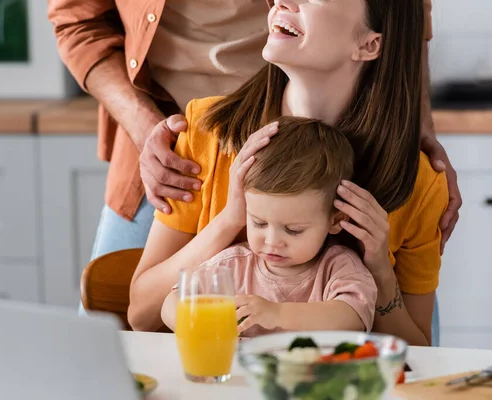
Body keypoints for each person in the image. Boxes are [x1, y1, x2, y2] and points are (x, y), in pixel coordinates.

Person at [127, 0, 449, 347]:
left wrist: (380, 272)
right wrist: (228, 222)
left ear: (369, 44)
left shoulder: (419, 183)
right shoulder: (205, 132)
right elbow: (141, 315)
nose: (282, 1)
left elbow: (418, 353)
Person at [47, 0, 460, 269]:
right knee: (110, 340)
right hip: (184, 155)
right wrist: (148, 130)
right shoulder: (199, 136)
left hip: (325, 117)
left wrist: (413, 125)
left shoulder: (412, 181)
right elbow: (76, 21)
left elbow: (399, 19)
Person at [161, 117, 378, 337]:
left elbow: (353, 316)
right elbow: (171, 302)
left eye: (293, 230)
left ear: (334, 220)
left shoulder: (338, 267)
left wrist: (277, 313)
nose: (272, 241)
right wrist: (200, 325)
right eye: (259, 223)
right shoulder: (234, 266)